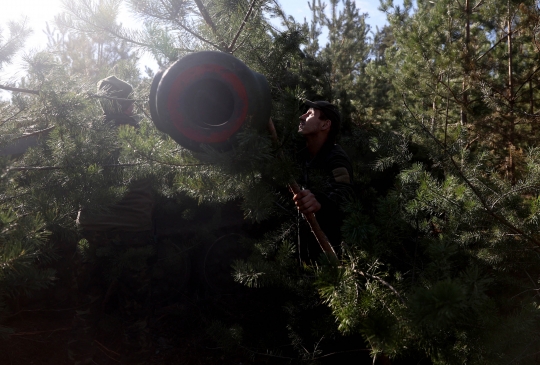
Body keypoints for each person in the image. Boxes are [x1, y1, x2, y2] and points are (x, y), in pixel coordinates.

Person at [292, 100, 354, 263]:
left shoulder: (336, 158)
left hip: (327, 255)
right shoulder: (301, 154)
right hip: (301, 251)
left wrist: (320, 202)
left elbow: (344, 192)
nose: (302, 117)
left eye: (310, 114)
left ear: (325, 125)